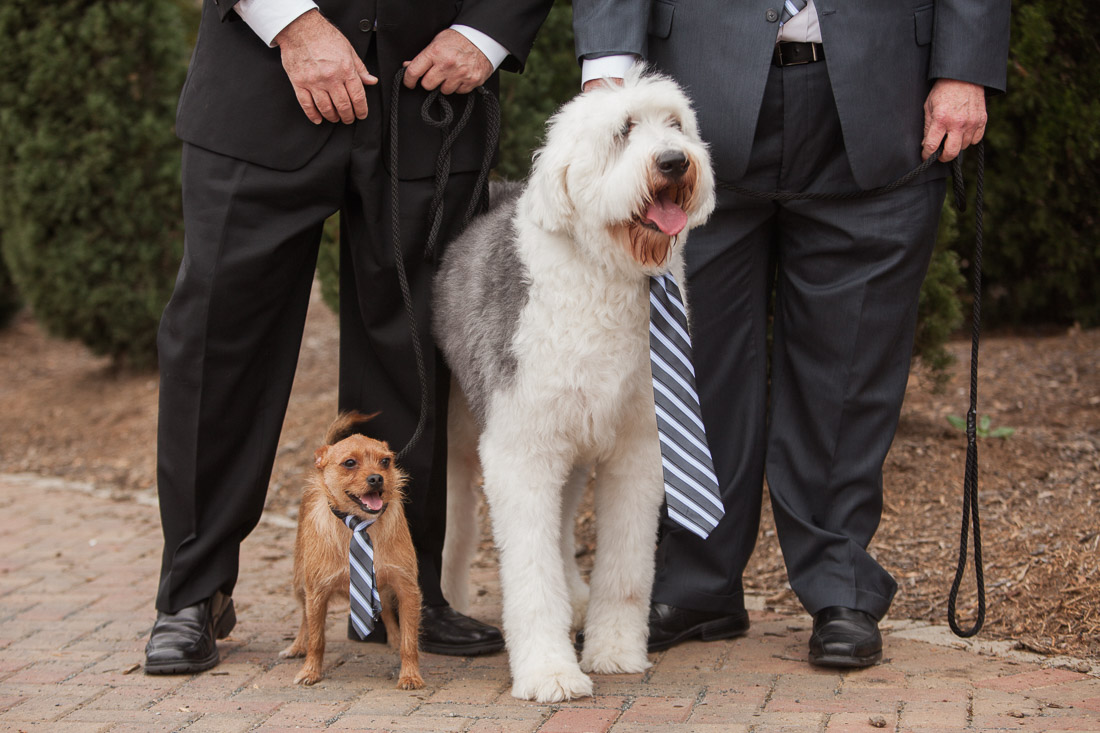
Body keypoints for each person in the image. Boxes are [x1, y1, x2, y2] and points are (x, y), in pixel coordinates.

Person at [573, 0, 1010, 667]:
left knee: (849, 362)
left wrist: (965, 67)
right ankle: (696, 580)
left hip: (882, 89)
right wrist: (607, 66)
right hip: (690, 97)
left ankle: (840, 582)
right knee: (696, 359)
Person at [145, 0, 552, 674]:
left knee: (413, 344)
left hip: (432, 93)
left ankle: (390, 591)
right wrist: (293, 26)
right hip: (260, 80)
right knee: (218, 342)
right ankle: (193, 588)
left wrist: (488, 33)